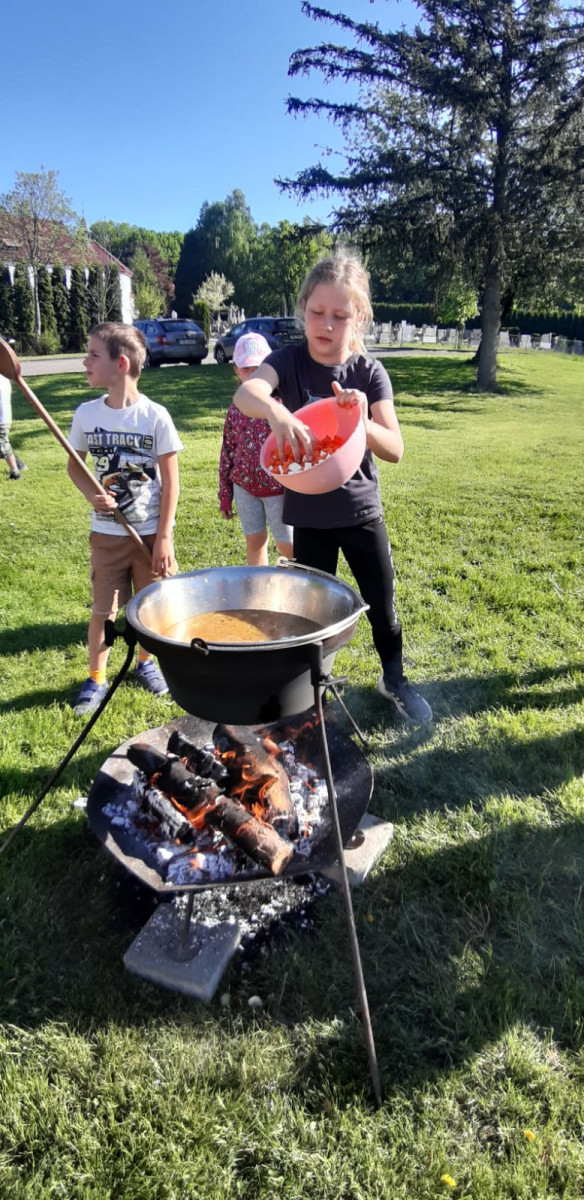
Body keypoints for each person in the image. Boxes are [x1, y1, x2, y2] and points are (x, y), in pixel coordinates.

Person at [233, 252, 432, 722]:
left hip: (362, 514)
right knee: (311, 618)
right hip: (309, 518)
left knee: (382, 609)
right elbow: (246, 394)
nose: (326, 325)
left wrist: (361, 418)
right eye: (317, 312)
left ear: (359, 317)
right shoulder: (288, 361)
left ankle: (394, 680)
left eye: (340, 316)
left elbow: (395, 448)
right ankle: (312, 697)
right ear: (303, 308)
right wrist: (276, 411)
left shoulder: (369, 372)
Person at [67, 322, 183, 715]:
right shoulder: (86, 414)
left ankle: (145, 663)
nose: (85, 362)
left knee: (149, 606)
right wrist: (92, 494)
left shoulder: (155, 417)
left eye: (93, 355)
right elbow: (75, 466)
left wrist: (164, 538)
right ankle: (96, 678)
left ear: (121, 364)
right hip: (106, 535)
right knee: (104, 610)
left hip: (149, 535)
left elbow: (171, 483)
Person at [218, 332, 293, 565]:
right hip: (245, 489)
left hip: (279, 490)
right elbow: (228, 452)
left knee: (288, 547)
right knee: (255, 542)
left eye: (258, 368)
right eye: (246, 369)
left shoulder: (282, 407)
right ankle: (260, 586)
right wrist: (225, 494)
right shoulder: (235, 410)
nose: (252, 374)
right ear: (236, 371)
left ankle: (293, 585)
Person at [0, 371, 27, 480]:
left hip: (2, 419)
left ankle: (15, 472)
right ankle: (19, 465)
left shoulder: (2, 379)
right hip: (4, 417)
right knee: (3, 443)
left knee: (2, 444)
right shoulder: (4, 377)